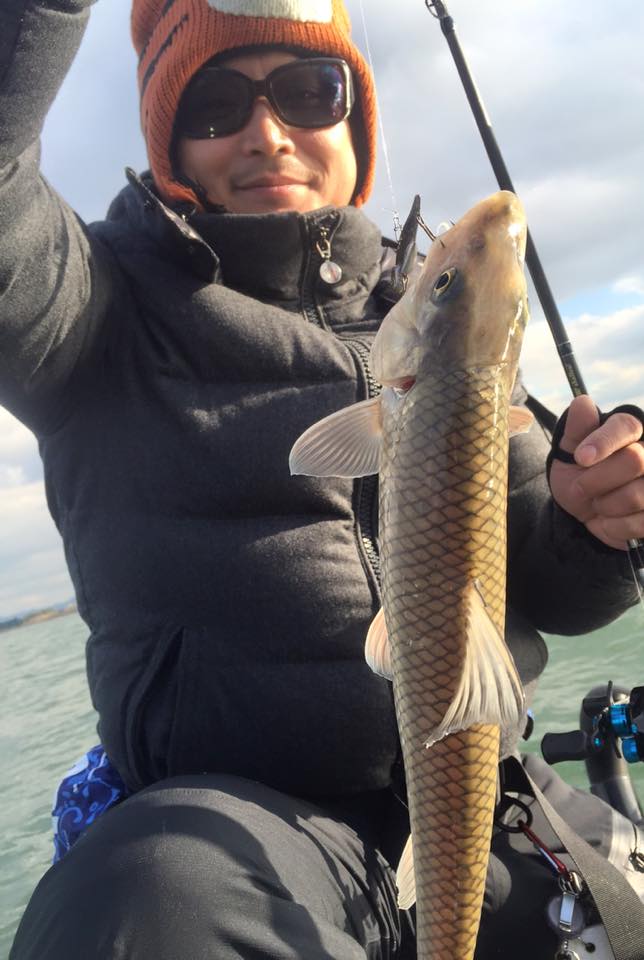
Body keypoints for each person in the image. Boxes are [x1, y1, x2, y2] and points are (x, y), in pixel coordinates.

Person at [3, 1, 643, 957]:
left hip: (486, 801)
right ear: (169, 142)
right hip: (239, 848)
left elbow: (544, 581)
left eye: (310, 91)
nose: (267, 133)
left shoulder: (431, 325)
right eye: (216, 105)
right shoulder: (91, 308)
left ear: (356, 123)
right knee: (141, 909)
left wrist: (593, 530)